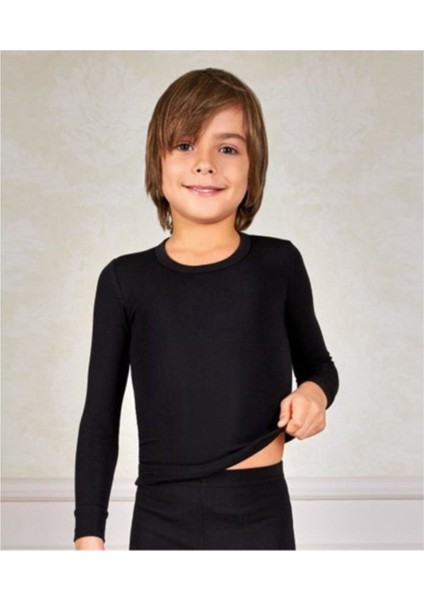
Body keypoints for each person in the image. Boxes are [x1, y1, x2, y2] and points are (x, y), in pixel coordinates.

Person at [73, 67, 339, 550]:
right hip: (160, 517)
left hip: (259, 513)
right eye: (184, 145)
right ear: (156, 164)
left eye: (228, 148)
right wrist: (88, 535)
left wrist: (314, 395)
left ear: (253, 168)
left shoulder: (278, 264)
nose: (205, 164)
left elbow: (320, 366)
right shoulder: (123, 280)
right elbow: (100, 415)